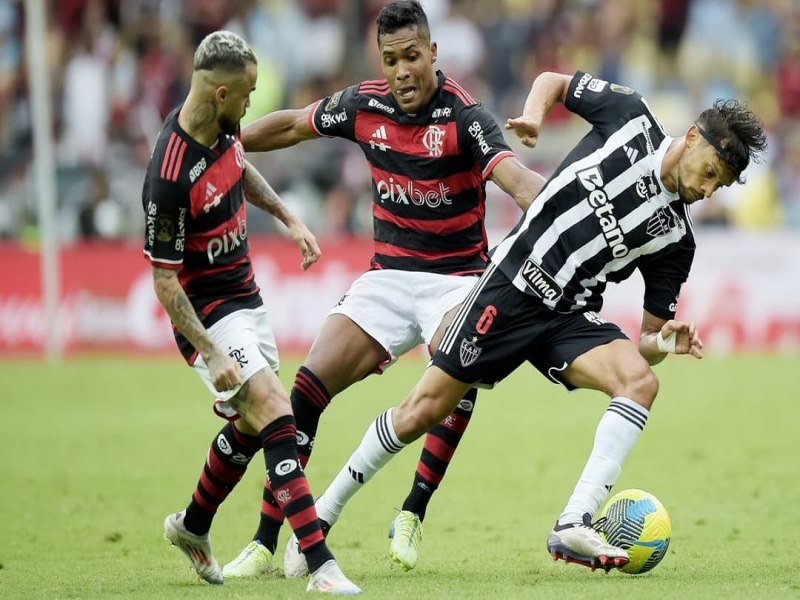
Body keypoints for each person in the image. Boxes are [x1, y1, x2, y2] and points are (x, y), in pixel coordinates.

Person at [298, 70, 767, 572]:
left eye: (719, 184)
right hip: (511, 283)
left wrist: (665, 342)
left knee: (639, 381)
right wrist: (535, 117)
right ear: (693, 137)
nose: (708, 189)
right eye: (712, 172)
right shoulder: (631, 116)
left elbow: (646, 340)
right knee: (420, 412)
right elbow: (553, 81)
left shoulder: (677, 240)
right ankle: (325, 513)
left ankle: (573, 522)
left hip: (569, 315)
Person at [222, 0, 547, 578]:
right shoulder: (364, 104)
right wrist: (226, 145)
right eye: (391, 58)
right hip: (388, 278)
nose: (401, 70)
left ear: (434, 53)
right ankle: (264, 540)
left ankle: (412, 511)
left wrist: (565, 210)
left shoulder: (466, 118)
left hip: (458, 279)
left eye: (412, 56)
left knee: (458, 363)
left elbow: (517, 180)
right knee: (303, 391)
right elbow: (296, 123)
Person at [141, 30, 361, 594]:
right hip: (208, 314)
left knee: (250, 427)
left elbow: (241, 167)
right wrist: (210, 353)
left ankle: (192, 527)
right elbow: (164, 281)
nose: (251, 104)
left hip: (248, 298)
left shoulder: (224, 127)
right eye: (247, 93)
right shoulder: (167, 176)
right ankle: (320, 566)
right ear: (220, 92)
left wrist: (290, 218)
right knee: (273, 410)